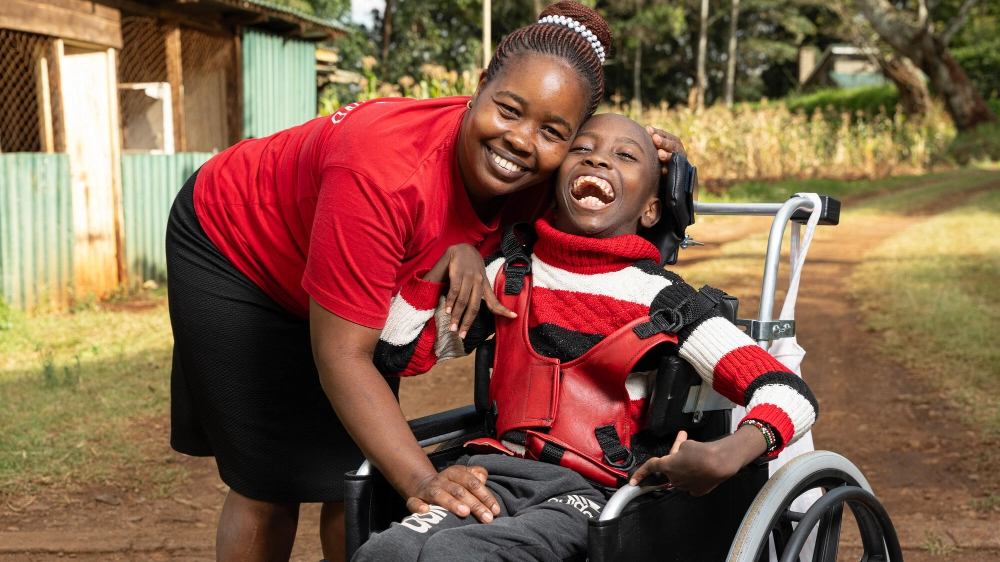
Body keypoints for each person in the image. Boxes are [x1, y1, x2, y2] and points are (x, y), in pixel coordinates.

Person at [165, 3, 687, 560]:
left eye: (553, 132)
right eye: (508, 109)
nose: (521, 140)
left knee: (351, 479)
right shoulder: (381, 169)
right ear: (481, 84)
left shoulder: (544, 172)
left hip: (357, 285)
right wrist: (420, 480)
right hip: (241, 250)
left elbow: (617, 244)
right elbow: (343, 355)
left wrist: (665, 169)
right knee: (269, 481)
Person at [353, 113, 819, 562]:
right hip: (494, 474)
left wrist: (730, 452)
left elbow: (787, 392)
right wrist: (448, 261)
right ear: (555, 183)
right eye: (583, 148)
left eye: (625, 155)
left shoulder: (664, 301)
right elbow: (397, 353)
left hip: (593, 494)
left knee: (457, 554)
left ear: (651, 207)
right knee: (385, 551)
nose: (598, 159)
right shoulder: (508, 276)